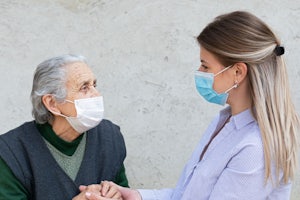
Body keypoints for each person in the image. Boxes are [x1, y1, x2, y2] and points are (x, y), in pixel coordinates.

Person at [108, 11, 300, 199]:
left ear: (238, 72)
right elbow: (186, 195)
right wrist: (137, 196)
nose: (199, 71)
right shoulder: (224, 121)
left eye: (205, 66)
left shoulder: (254, 150)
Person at [0, 54, 129, 200]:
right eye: (84, 87)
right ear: (52, 103)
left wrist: (114, 194)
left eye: (94, 85)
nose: (96, 94)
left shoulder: (109, 137)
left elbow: (124, 192)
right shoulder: (10, 153)